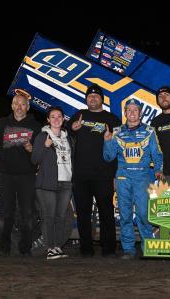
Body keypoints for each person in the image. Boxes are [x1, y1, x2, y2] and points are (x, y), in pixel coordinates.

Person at [103, 98, 163, 259]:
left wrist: (158, 170)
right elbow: (108, 157)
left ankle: (148, 247)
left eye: (135, 110)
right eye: (129, 110)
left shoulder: (149, 131)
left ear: (141, 113)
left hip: (142, 177)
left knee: (144, 214)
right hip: (123, 177)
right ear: (125, 113)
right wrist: (107, 142)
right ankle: (128, 249)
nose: (132, 113)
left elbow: (157, 154)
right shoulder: (116, 132)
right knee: (125, 215)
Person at [67, 84, 120, 257]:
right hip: (81, 175)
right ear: (86, 99)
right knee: (83, 214)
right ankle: (86, 249)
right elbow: (65, 132)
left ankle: (109, 248)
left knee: (106, 213)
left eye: (96, 96)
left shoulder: (112, 119)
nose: (93, 98)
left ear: (102, 100)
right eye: (90, 96)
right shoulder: (79, 115)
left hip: (104, 175)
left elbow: (120, 149)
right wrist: (72, 129)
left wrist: (115, 175)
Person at [0, 90, 40, 256]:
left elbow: (40, 153)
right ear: (12, 105)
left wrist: (32, 149)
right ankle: (4, 247)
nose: (19, 107)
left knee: (27, 214)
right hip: (6, 175)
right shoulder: (0, 124)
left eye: (23, 104)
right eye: (16, 104)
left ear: (27, 107)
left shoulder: (35, 127)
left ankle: (25, 248)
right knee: (6, 213)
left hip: (27, 176)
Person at [32, 106, 73, 260]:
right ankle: (49, 248)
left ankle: (57, 247)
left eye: (59, 116)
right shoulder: (43, 136)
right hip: (47, 184)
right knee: (48, 217)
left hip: (66, 183)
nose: (56, 119)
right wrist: (45, 146)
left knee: (61, 217)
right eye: (53, 116)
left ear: (63, 119)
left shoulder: (67, 137)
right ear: (48, 120)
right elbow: (34, 159)